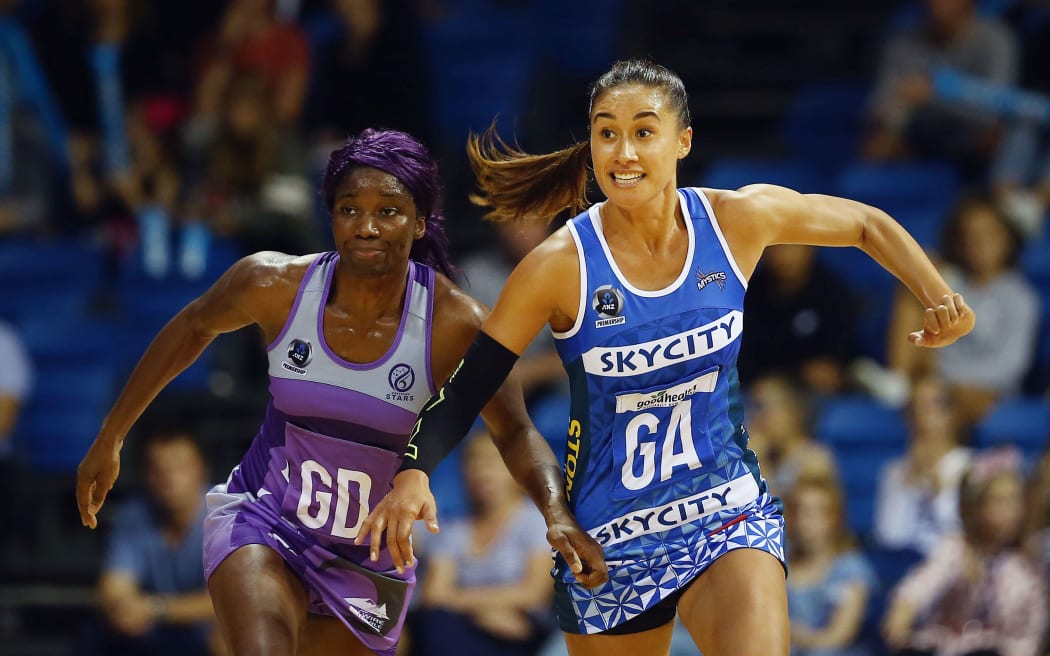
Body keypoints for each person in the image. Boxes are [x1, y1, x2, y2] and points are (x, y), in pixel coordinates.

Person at [357, 59, 976, 656]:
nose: (623, 153)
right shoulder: (559, 265)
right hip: (609, 538)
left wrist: (939, 297)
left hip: (725, 512)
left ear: (682, 140)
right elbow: (474, 385)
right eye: (607, 134)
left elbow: (865, 222)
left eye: (643, 133)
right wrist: (414, 472)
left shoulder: (736, 221)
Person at [76, 128, 605, 656]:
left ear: (419, 222)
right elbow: (193, 327)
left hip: (367, 556)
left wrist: (555, 513)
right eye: (350, 209)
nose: (366, 226)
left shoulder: (454, 323)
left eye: (388, 212)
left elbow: (513, 431)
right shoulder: (272, 284)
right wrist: (112, 435)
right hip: (266, 519)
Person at [888, 195, 1039, 431]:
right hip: (943, 385)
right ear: (958, 242)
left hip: (991, 391)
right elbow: (934, 350)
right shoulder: (951, 285)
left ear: (1007, 239)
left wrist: (955, 383)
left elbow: (1011, 364)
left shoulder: (1020, 297)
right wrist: (924, 277)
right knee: (913, 289)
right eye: (970, 236)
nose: (978, 244)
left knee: (945, 399)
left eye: (988, 234)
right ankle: (898, 384)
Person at [881, 448, 1048, 656]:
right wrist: (903, 611)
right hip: (952, 648)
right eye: (999, 501)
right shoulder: (956, 549)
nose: (1011, 511)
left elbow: (1033, 629)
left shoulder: (1030, 561)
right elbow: (922, 584)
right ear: (974, 508)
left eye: (1015, 500)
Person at [412, 430, 555, 656]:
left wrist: (459, 601)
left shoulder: (535, 521)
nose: (481, 471)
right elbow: (433, 595)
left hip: (518, 631)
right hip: (466, 624)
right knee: (433, 622)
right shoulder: (455, 529)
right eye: (473, 461)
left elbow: (534, 593)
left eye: (491, 461)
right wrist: (481, 611)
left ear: (517, 470)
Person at [86, 428, 219, 656]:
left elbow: (228, 602)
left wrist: (156, 609)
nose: (169, 478)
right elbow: (115, 589)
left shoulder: (227, 516)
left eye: (180, 467)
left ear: (202, 470)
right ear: (145, 475)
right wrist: (124, 609)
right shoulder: (133, 517)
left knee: (229, 633)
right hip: (150, 629)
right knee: (98, 631)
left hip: (204, 629)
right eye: (158, 469)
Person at [872, 375, 973, 556]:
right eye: (916, 408)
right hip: (903, 568)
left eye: (934, 406)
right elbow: (890, 538)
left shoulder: (971, 466)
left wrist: (938, 493)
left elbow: (966, 540)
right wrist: (907, 485)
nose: (924, 416)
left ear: (952, 414)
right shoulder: (894, 470)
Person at [785, 473, 877, 656]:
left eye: (812, 513)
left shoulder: (851, 569)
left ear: (833, 518)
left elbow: (839, 636)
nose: (803, 521)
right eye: (797, 511)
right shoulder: (777, 565)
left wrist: (793, 635)